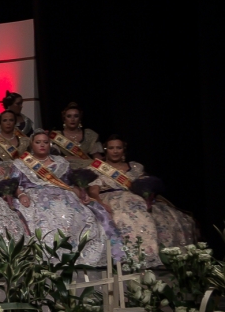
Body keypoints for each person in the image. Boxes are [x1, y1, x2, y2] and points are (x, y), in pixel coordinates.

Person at [10, 131, 118, 267]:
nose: (42, 145)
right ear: (32, 144)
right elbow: (14, 184)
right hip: (34, 195)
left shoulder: (61, 162)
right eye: (38, 142)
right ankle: (47, 254)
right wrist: (21, 195)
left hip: (63, 195)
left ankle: (75, 255)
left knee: (81, 214)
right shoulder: (21, 163)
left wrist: (82, 194)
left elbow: (70, 184)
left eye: (45, 142)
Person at [87, 135, 197, 264]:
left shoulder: (135, 167)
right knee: (124, 218)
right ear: (106, 149)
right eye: (111, 148)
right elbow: (94, 191)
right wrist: (101, 205)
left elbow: (145, 186)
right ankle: (131, 259)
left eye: (119, 148)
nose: (115, 151)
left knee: (165, 219)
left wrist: (148, 199)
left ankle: (153, 256)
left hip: (136, 198)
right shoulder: (97, 167)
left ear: (124, 149)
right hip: (111, 198)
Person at [49, 102, 102, 167]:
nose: (72, 119)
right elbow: (52, 158)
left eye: (76, 116)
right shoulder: (56, 135)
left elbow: (97, 158)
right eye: (69, 116)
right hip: (64, 169)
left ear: (80, 119)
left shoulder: (89, 135)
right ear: (64, 119)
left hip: (87, 169)